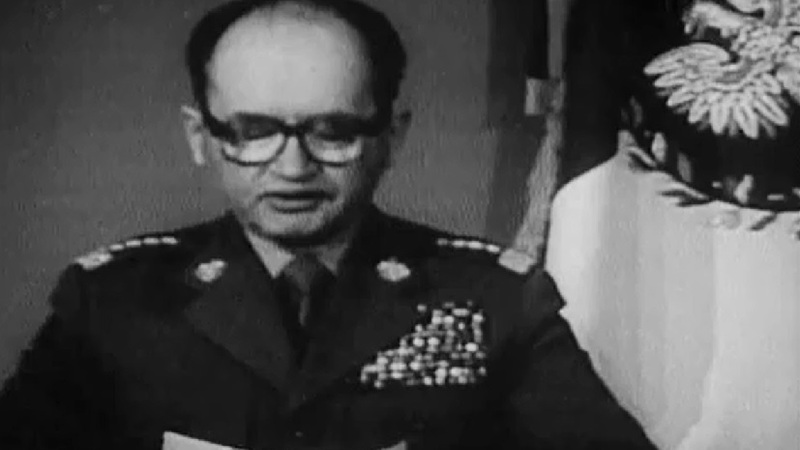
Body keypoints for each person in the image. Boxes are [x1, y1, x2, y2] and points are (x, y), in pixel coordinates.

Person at [0, 0, 655, 448]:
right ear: (201, 137)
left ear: (392, 137)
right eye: (253, 131)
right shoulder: (112, 305)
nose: (293, 167)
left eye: (334, 131)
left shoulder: (496, 301)